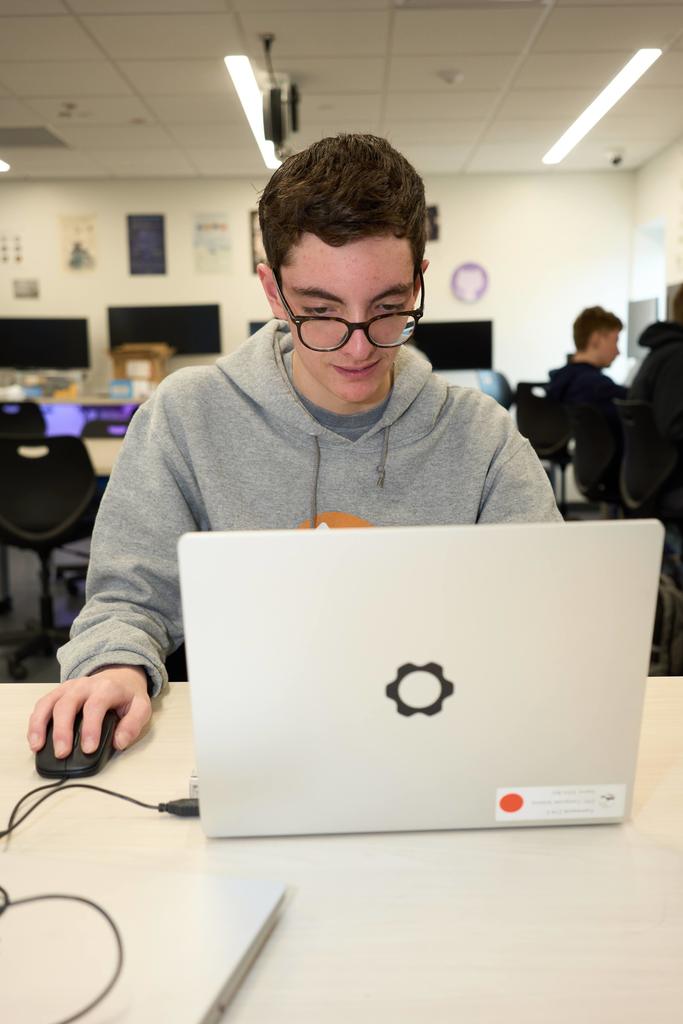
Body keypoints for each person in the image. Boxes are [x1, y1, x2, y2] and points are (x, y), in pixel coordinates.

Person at [27, 133, 560, 761]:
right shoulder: (186, 417)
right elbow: (127, 601)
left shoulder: (484, 436)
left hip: (439, 740)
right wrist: (115, 668)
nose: (359, 347)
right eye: (320, 310)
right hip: (255, 745)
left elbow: (548, 610)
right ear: (273, 292)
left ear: (418, 283)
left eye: (388, 308)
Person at [628, 283, 683, 487]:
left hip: (651, 473)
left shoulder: (660, 352)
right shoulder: (677, 357)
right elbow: (674, 426)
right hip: (668, 478)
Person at [545, 306, 627, 420]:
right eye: (616, 340)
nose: (618, 352)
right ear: (596, 339)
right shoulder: (599, 388)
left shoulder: (557, 380)